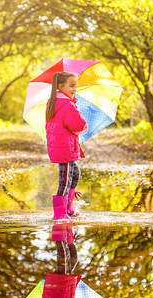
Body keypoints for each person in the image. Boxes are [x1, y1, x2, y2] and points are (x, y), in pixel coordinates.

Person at [46, 72, 88, 220]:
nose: (74, 89)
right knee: (65, 180)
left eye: (75, 86)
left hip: (62, 147)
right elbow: (78, 125)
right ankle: (59, 214)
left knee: (74, 174)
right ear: (60, 86)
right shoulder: (67, 105)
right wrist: (83, 122)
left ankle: (68, 207)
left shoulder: (54, 102)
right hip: (66, 149)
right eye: (71, 86)